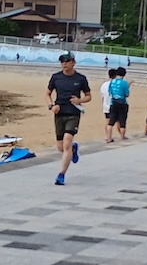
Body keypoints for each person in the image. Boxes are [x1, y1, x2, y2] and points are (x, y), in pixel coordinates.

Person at [46, 51, 91, 186]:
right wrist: (51, 106)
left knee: (67, 142)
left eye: (67, 61)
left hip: (73, 113)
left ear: (73, 62)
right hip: (59, 113)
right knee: (61, 147)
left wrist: (79, 100)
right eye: (62, 61)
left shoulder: (80, 78)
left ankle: (61, 175)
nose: (64, 64)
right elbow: (47, 94)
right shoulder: (56, 77)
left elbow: (88, 96)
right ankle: (73, 149)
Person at [106, 66, 130, 143]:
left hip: (113, 102)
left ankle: (109, 137)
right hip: (122, 103)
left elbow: (110, 92)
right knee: (122, 121)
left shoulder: (112, 82)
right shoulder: (124, 83)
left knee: (111, 122)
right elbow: (127, 94)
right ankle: (122, 137)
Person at [100, 68, 121, 137]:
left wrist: (103, 105)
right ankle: (121, 134)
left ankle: (108, 136)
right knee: (119, 121)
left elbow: (102, 96)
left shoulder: (104, 84)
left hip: (106, 105)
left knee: (108, 121)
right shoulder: (116, 84)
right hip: (114, 104)